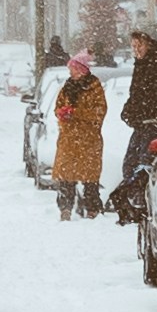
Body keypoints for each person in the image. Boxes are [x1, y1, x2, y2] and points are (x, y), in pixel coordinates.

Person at [50, 51, 107, 217]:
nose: (70, 72)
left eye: (73, 68)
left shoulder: (94, 88)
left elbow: (99, 112)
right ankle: (65, 208)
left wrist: (75, 113)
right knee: (67, 176)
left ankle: (92, 208)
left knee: (90, 178)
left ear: (82, 69)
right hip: (68, 139)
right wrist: (61, 113)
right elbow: (57, 106)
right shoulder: (66, 87)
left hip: (88, 140)